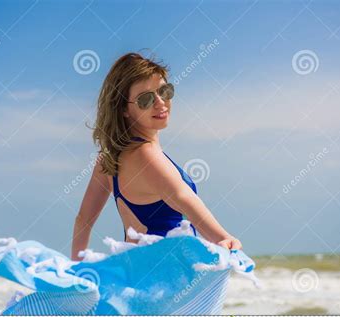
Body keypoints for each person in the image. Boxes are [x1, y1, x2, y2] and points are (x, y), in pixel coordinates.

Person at [71, 52, 242, 261]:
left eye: (165, 91)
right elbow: (182, 197)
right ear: (124, 109)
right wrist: (222, 237)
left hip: (136, 272)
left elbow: (83, 220)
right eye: (146, 99)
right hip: (165, 277)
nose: (160, 103)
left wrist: (76, 267)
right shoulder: (146, 155)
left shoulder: (109, 158)